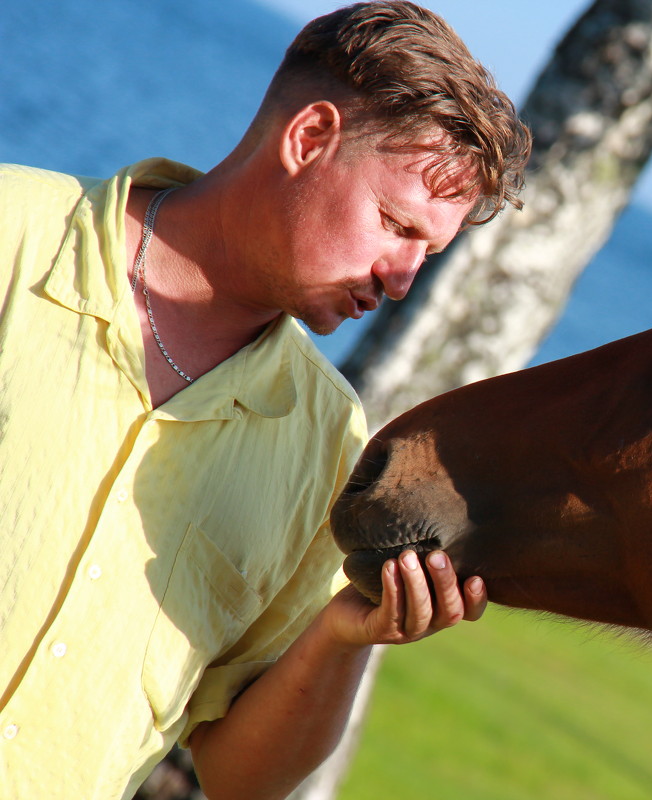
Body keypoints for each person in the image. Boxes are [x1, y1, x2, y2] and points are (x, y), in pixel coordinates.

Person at [0, 2, 531, 798]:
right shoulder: (12, 232)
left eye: (428, 251)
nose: (402, 277)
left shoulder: (326, 442)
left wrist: (342, 640)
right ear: (308, 139)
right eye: (395, 224)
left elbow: (242, 777)